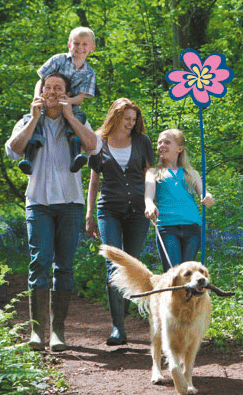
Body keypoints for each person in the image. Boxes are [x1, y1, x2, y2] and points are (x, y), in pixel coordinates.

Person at [5, 73, 101, 351]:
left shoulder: (79, 119)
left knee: (65, 266)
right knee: (40, 261)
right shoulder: (27, 121)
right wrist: (35, 118)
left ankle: (58, 331)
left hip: (71, 202)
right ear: (41, 91)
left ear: (67, 93)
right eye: (48, 87)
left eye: (58, 88)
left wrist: (70, 115)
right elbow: (13, 150)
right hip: (38, 202)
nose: (52, 92)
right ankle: (38, 333)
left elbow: (93, 147)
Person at [85, 98, 154, 346]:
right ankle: (118, 328)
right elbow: (94, 181)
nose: (131, 123)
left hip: (138, 211)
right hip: (108, 210)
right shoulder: (98, 142)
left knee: (131, 267)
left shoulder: (142, 142)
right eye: (127, 119)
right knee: (114, 265)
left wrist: (150, 202)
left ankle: (122, 316)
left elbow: (150, 175)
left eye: (134, 119)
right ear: (115, 117)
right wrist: (89, 213)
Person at [19, 27, 97, 175]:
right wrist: (38, 97)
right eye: (76, 43)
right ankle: (28, 158)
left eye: (84, 44)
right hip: (48, 101)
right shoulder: (59, 60)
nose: (80, 48)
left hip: (70, 104)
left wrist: (68, 102)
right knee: (35, 121)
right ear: (69, 44)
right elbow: (41, 80)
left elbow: (81, 96)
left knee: (78, 119)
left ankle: (76, 156)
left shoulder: (89, 72)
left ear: (92, 48)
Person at [144, 129, 214, 272]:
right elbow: (148, 196)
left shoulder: (191, 173)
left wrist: (208, 197)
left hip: (191, 226)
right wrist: (149, 205)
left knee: (188, 275)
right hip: (167, 226)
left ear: (179, 148)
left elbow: (204, 192)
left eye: (167, 142)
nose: (161, 145)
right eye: (159, 142)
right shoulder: (153, 173)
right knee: (174, 274)